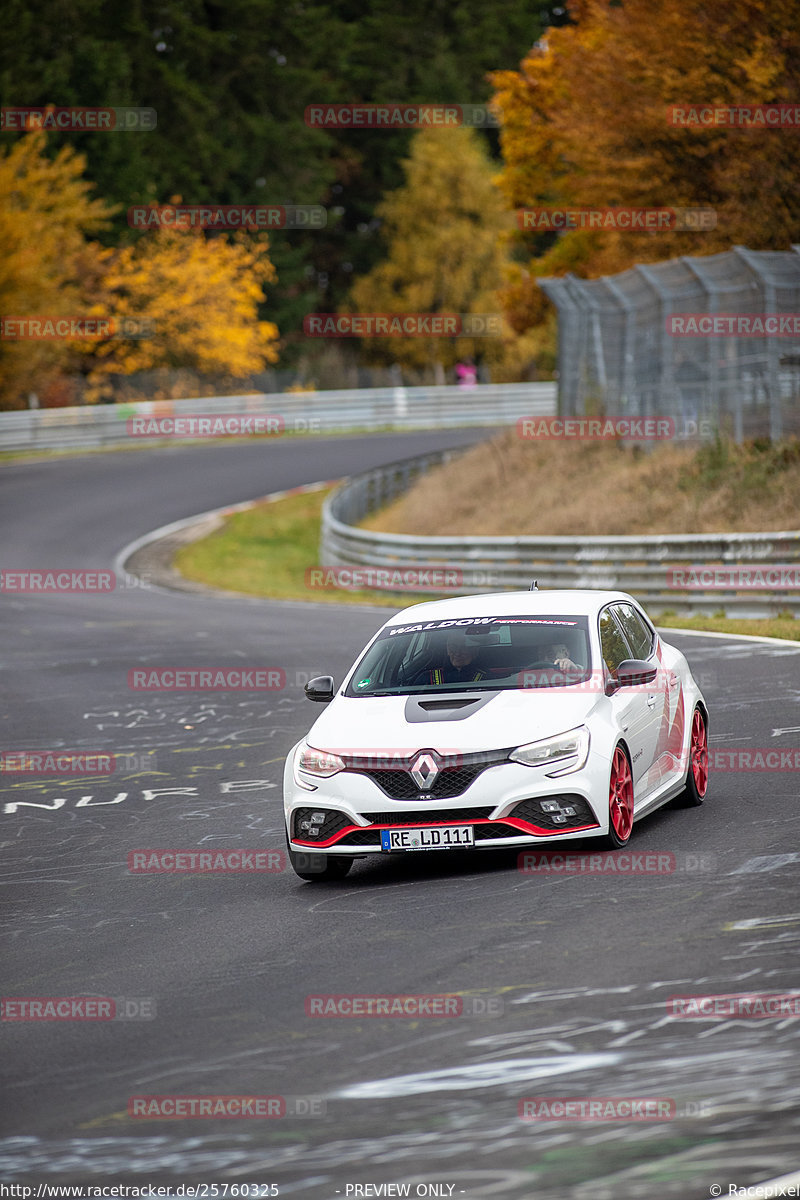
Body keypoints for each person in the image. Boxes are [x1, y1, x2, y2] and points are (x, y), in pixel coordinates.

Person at [414, 630, 486, 685]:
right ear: (447, 650)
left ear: (475, 651)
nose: (458, 653)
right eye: (453, 647)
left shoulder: (487, 678)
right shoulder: (426, 678)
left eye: (464, 648)